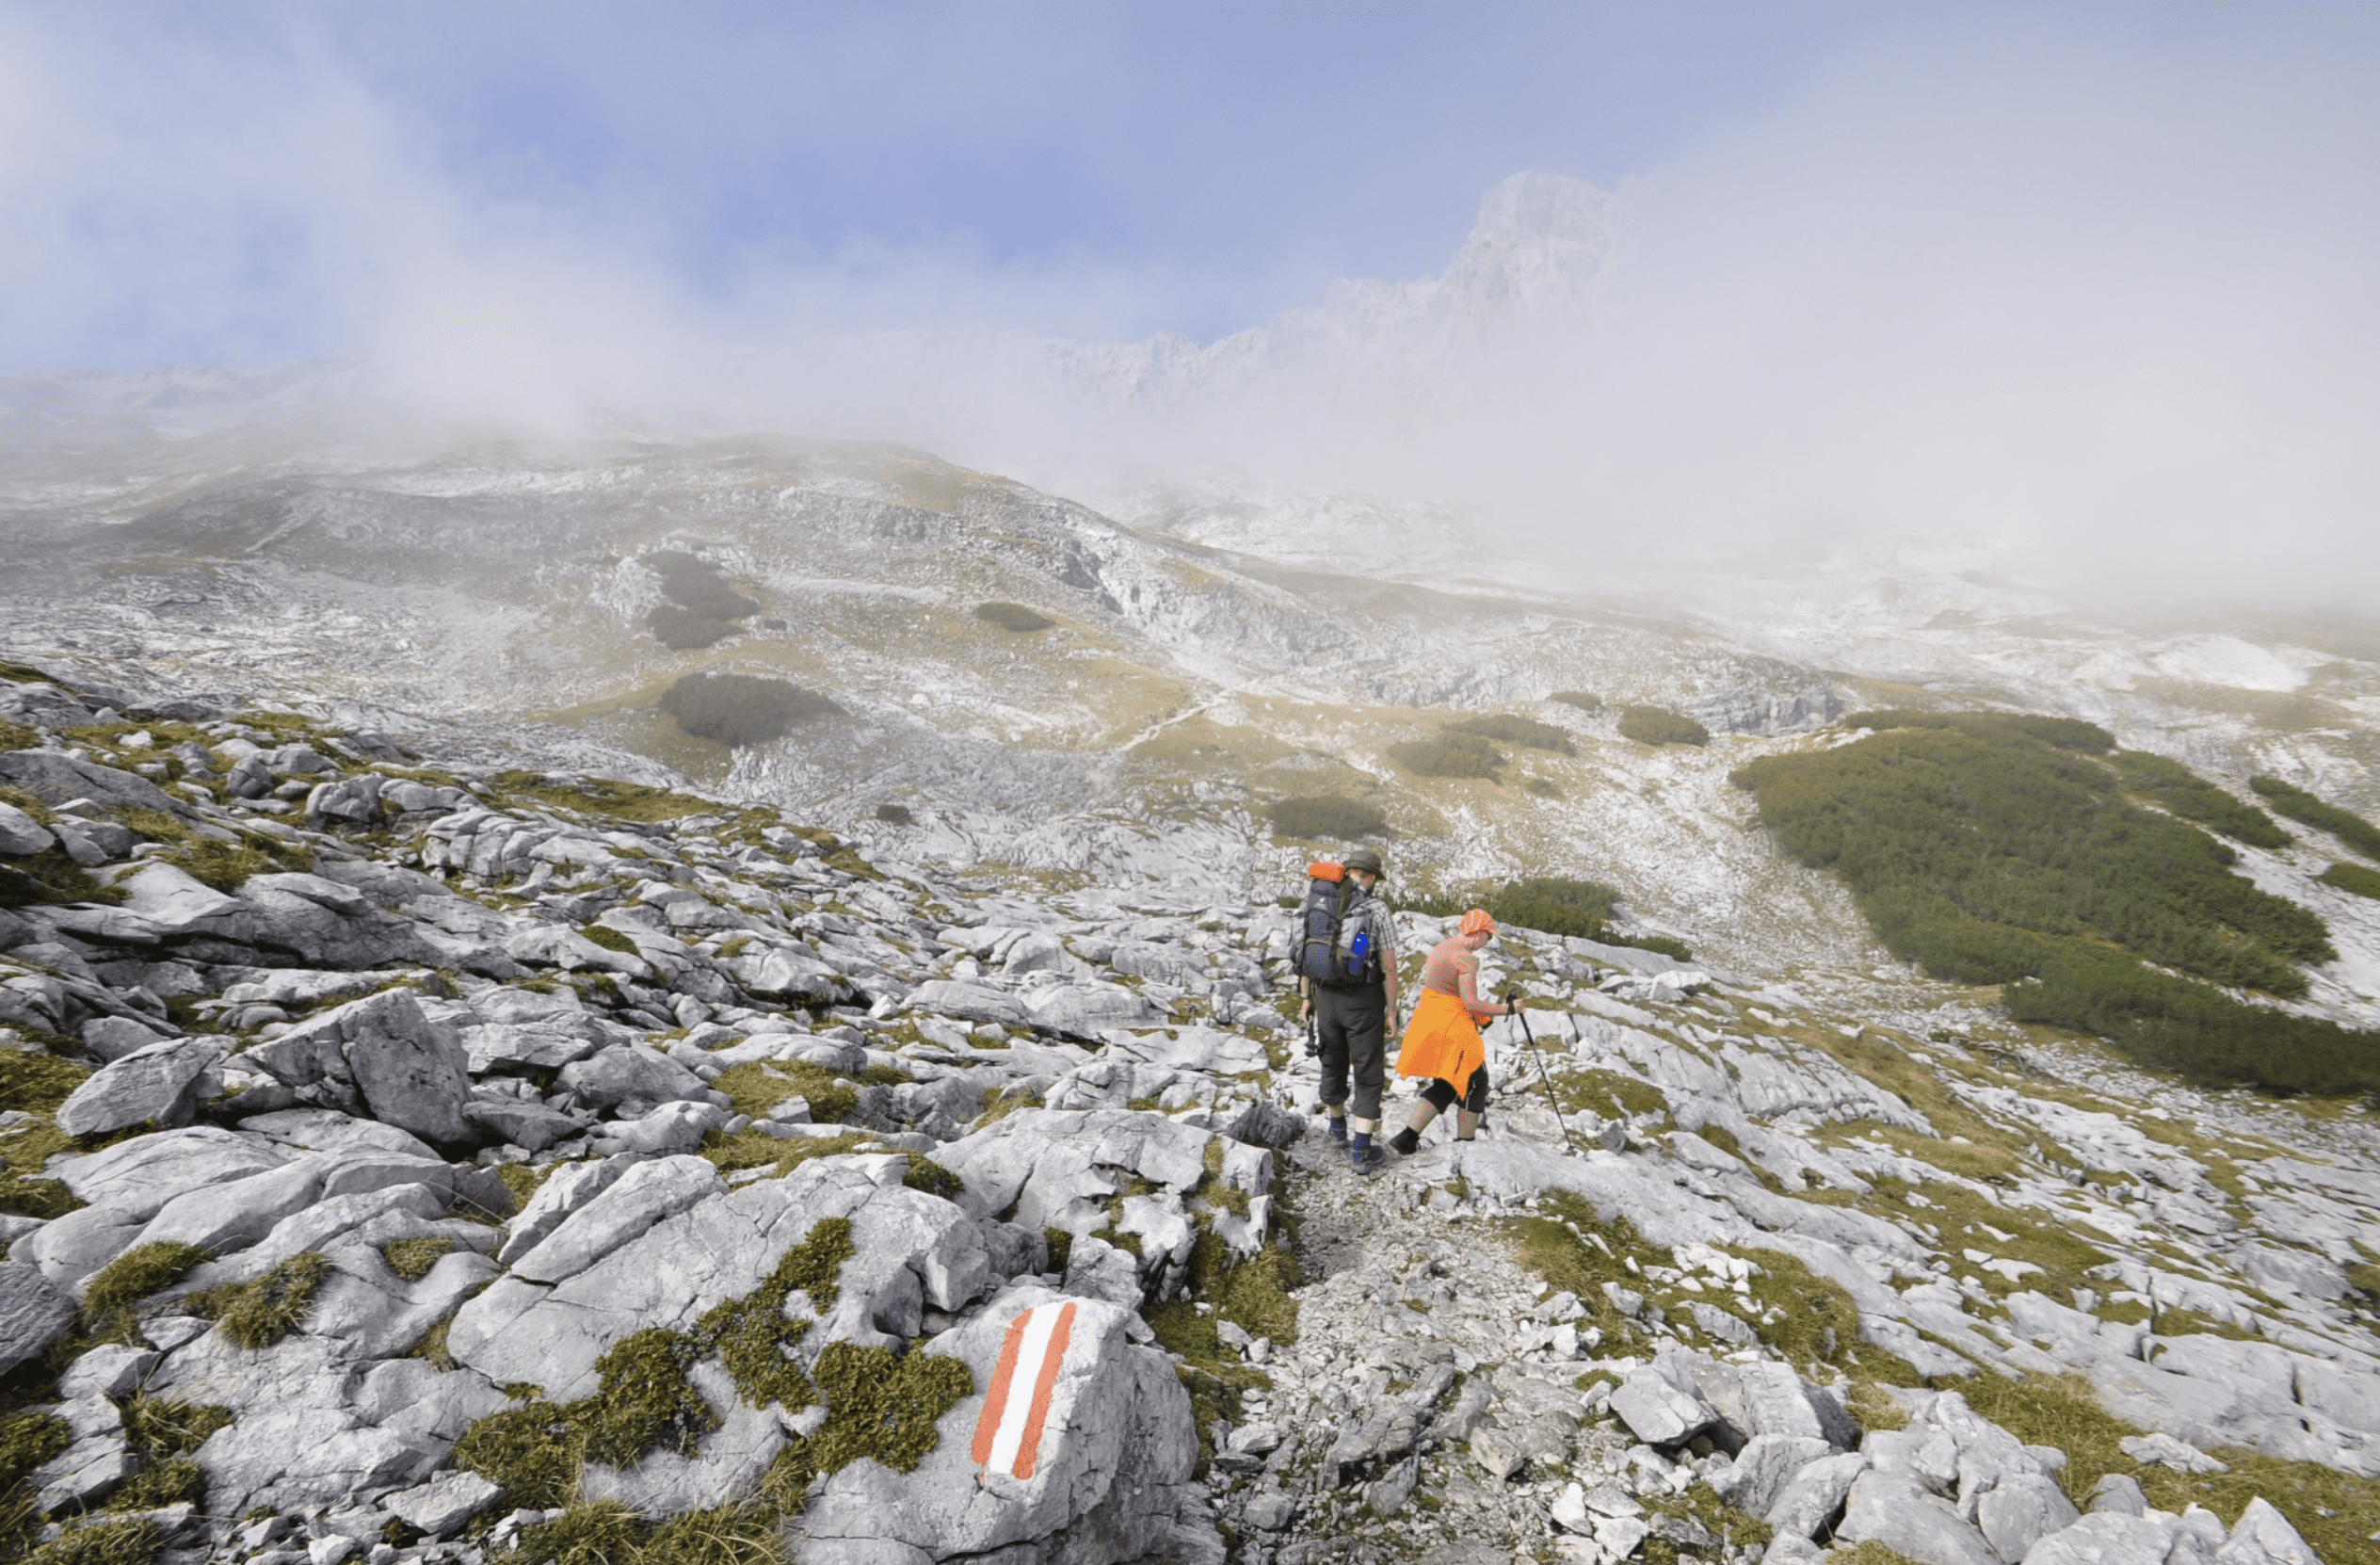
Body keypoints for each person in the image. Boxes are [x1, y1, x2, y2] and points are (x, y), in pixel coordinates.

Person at [1296, 846, 1399, 1172]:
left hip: (1325, 996)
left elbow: (1307, 950)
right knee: (1368, 1074)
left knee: (1332, 1061)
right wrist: (1392, 1010)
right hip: (1363, 1000)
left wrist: (1305, 998)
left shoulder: (1318, 901)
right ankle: (1361, 1152)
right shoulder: (1375, 908)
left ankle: (1337, 1129)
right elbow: (1390, 966)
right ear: (1369, 877)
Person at [1388, 908, 1516, 1154]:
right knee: (1477, 1081)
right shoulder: (1466, 958)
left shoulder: (1442, 947)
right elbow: (1470, 1002)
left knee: (1447, 1083)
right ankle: (1465, 1147)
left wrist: (1483, 1018)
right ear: (1478, 933)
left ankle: (1407, 1138)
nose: (1487, 942)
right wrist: (1507, 1009)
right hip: (1451, 1026)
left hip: (1430, 1021)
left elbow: (1450, 993)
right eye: (1488, 936)